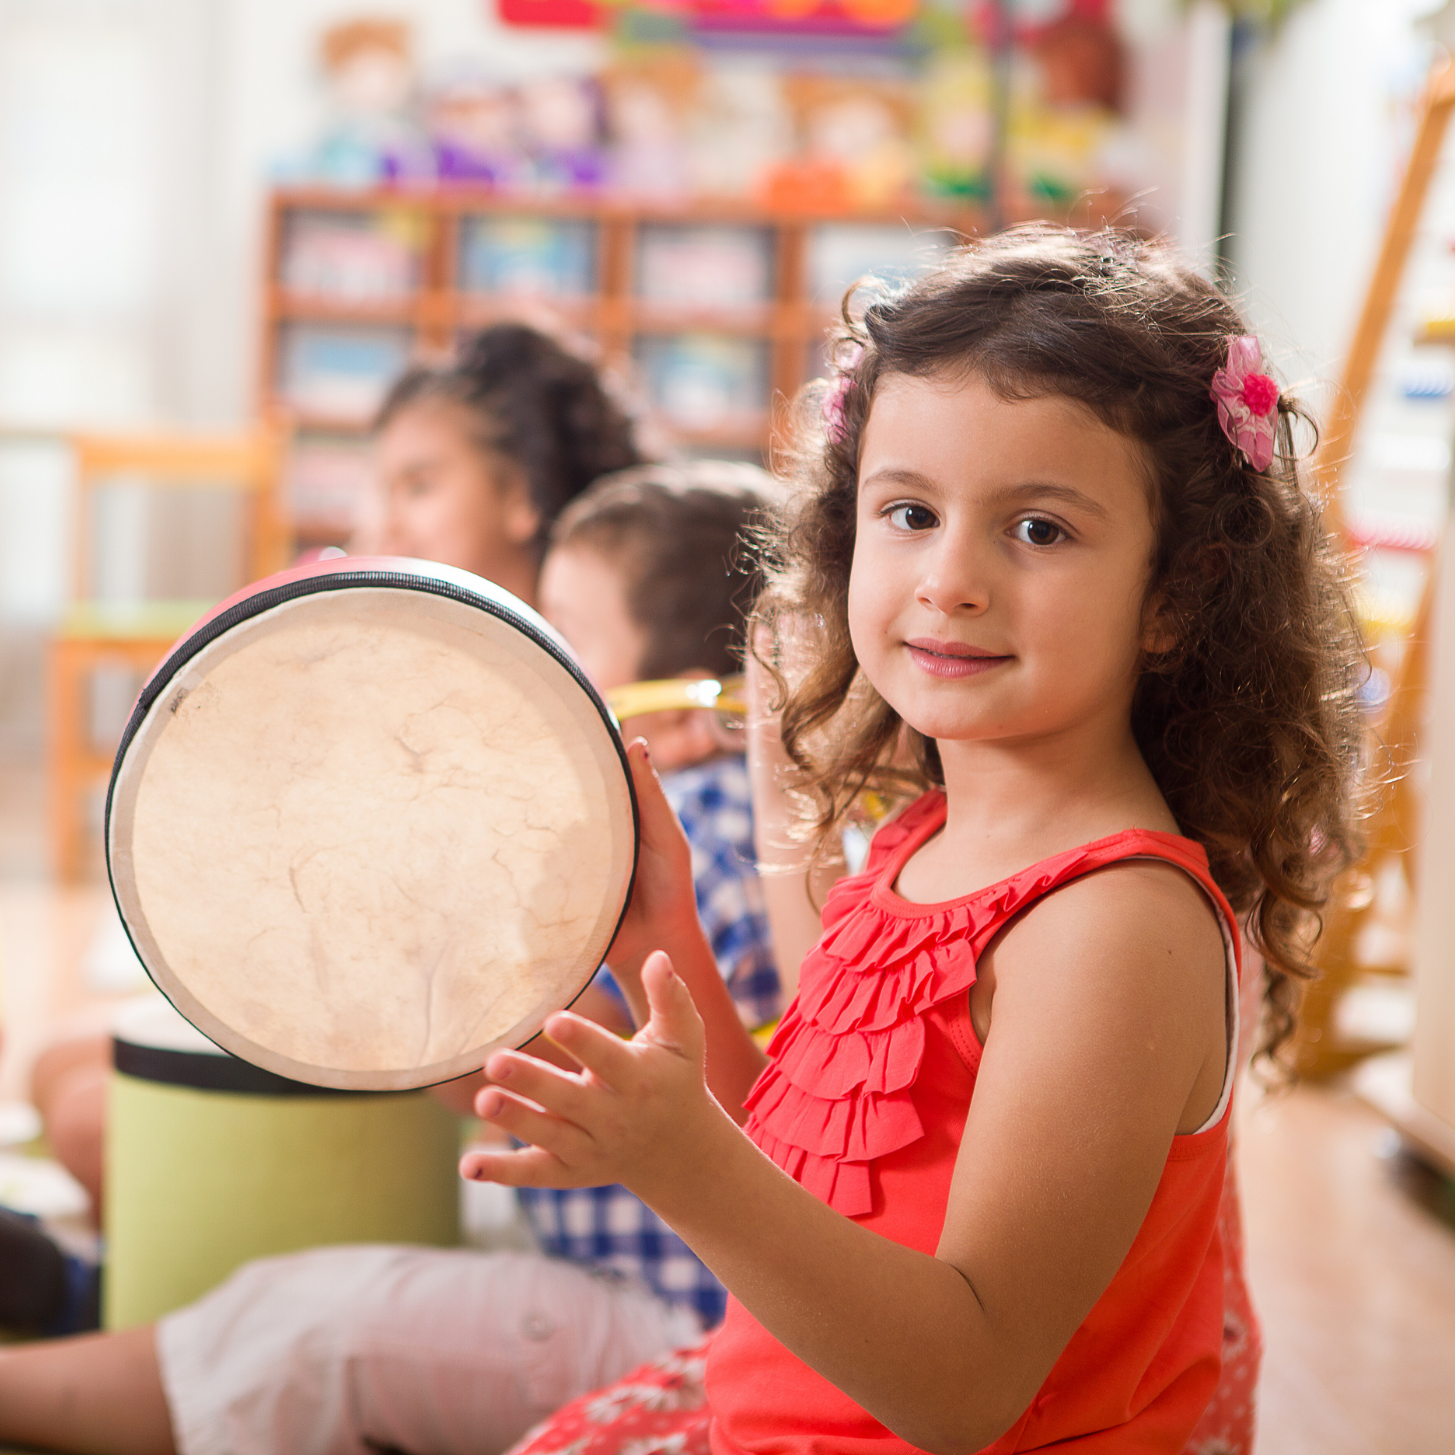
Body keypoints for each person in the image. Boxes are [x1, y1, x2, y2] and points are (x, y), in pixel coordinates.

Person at [452, 226, 1364, 1455]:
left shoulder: (1113, 926)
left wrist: (684, 1168)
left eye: (1038, 530)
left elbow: (965, 1385)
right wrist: (657, 934)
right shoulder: (924, 845)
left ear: (1176, 598)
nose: (950, 580)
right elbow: (812, 1171)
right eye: (910, 512)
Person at [0, 461, 783, 1455]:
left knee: (318, 1326)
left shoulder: (675, 845)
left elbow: (496, 1080)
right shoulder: (744, 827)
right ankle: (92, 1305)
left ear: (675, 713)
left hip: (681, 1323)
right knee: (326, 1264)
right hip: (636, 1261)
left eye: (572, 641)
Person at [22, 320, 644, 1230]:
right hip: (364, 999)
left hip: (439, 1054)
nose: (380, 520)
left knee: (89, 1115)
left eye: (420, 485)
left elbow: (526, 1009)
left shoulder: (581, 699)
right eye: (376, 487)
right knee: (56, 1063)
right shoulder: (391, 667)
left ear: (524, 496)